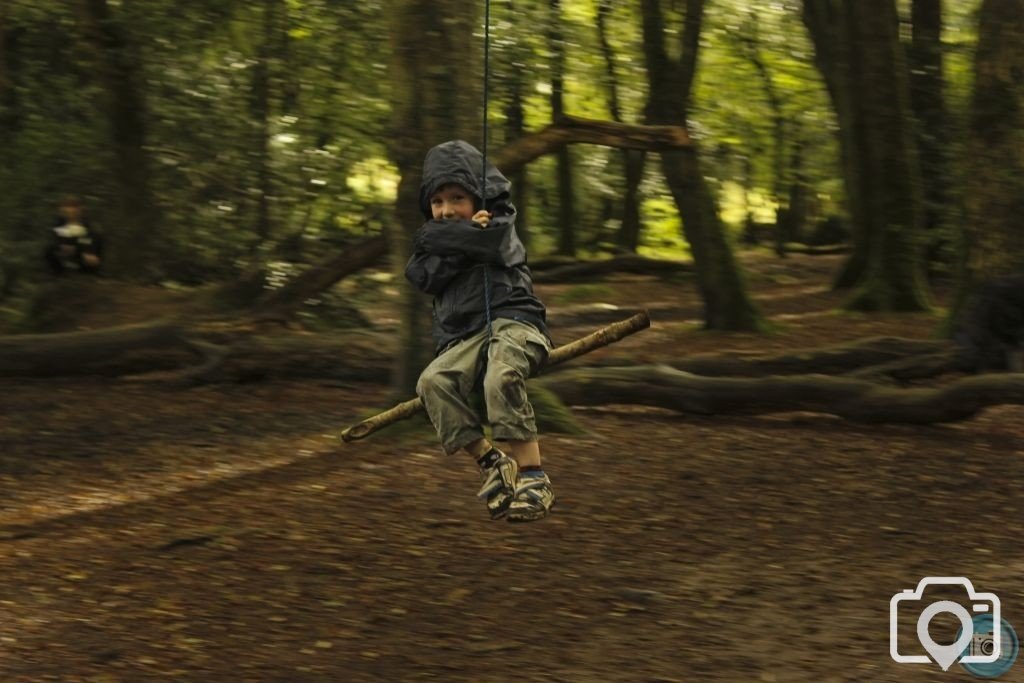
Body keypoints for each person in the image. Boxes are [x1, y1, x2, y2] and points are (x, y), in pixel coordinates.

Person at [405, 140, 555, 523]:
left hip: (514, 323)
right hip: (466, 338)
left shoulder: (500, 222)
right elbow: (421, 275)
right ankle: (492, 461)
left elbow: (492, 245)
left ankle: (534, 477)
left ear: (480, 195)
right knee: (432, 382)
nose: (446, 209)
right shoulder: (432, 243)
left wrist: (454, 240)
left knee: (500, 376)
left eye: (457, 197)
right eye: (437, 202)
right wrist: (459, 238)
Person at [44, 196, 104, 274]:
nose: (71, 210)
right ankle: (59, 272)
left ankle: (86, 272)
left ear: (80, 209)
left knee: (91, 247)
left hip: (83, 255)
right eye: (68, 207)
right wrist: (63, 246)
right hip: (66, 254)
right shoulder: (60, 224)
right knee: (49, 249)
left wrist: (84, 250)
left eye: (74, 207)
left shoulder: (87, 225)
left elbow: (90, 240)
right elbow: (57, 239)